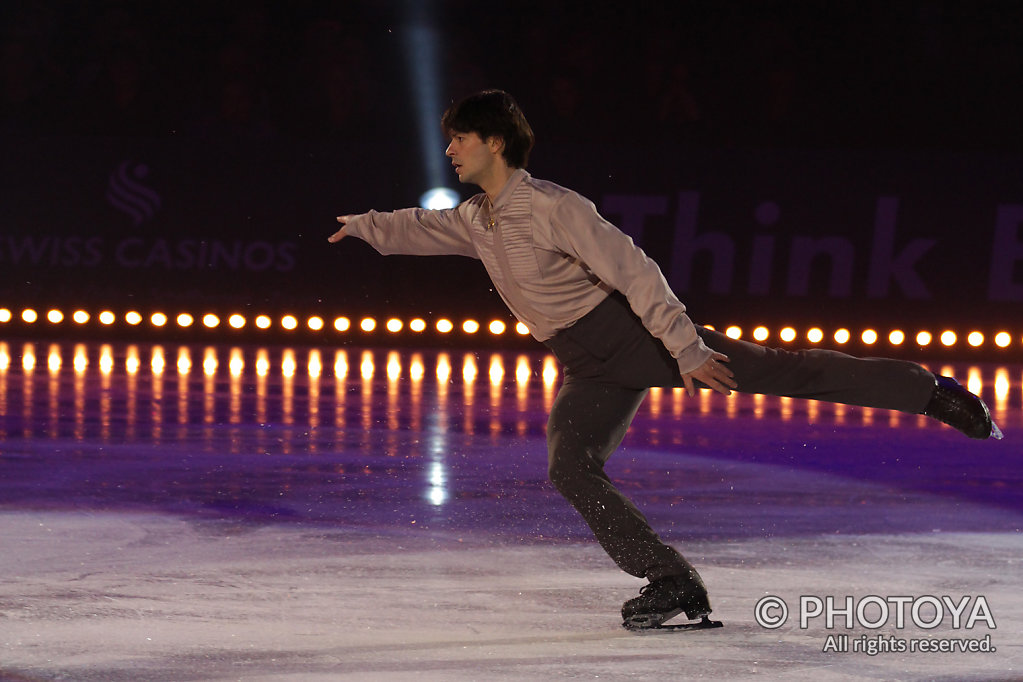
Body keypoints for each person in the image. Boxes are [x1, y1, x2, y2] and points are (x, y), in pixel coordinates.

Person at [328, 89, 1002, 630]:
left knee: (781, 369)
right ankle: (669, 580)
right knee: (570, 467)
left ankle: (932, 394)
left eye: (459, 138)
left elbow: (635, 270)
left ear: (493, 142)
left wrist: (683, 348)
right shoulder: (478, 218)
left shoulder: (553, 207)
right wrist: (363, 225)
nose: (449, 150)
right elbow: (419, 227)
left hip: (631, 337)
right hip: (584, 361)